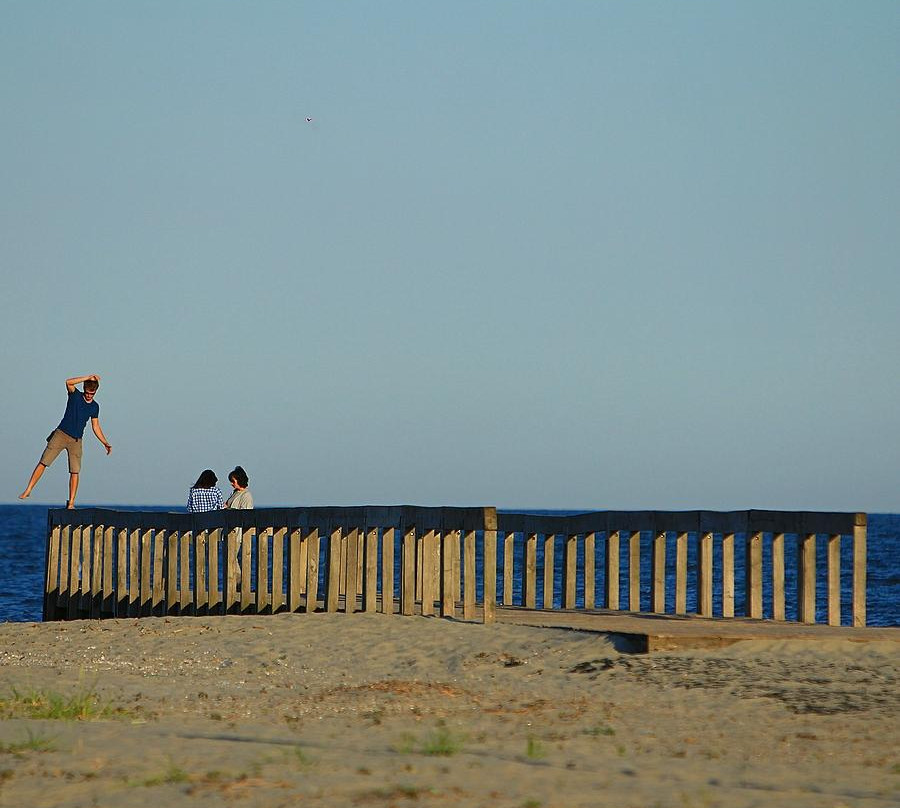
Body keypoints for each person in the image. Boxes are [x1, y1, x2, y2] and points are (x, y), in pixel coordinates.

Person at [19, 374, 112, 509]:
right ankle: (28, 490)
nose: (89, 396)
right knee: (44, 462)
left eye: (92, 394)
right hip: (61, 434)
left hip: (76, 440)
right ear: (84, 389)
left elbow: (95, 427)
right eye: (87, 393)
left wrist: (105, 442)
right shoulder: (75, 396)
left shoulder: (95, 407)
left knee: (75, 471)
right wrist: (88, 377)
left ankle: (71, 502)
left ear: (96, 392)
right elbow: (68, 382)